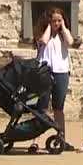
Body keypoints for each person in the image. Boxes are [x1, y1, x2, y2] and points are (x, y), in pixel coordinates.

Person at [35, 7, 73, 138]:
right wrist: (49, 28)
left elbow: (70, 41)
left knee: (58, 108)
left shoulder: (64, 35)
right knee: (41, 107)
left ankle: (60, 138)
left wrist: (63, 27)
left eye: (59, 20)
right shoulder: (43, 33)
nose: (56, 23)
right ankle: (35, 141)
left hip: (61, 72)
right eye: (53, 21)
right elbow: (44, 41)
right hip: (44, 72)